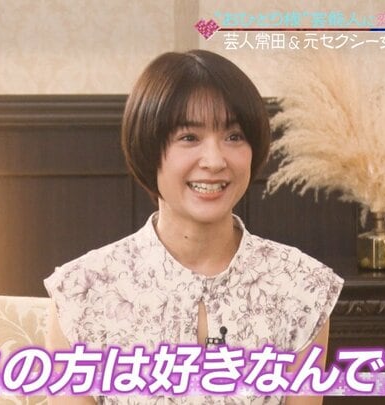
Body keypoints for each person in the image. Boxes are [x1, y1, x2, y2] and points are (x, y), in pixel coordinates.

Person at [44, 49, 344, 405]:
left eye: (234, 136)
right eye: (189, 137)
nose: (215, 161)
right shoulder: (81, 291)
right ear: (147, 148)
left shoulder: (302, 286)